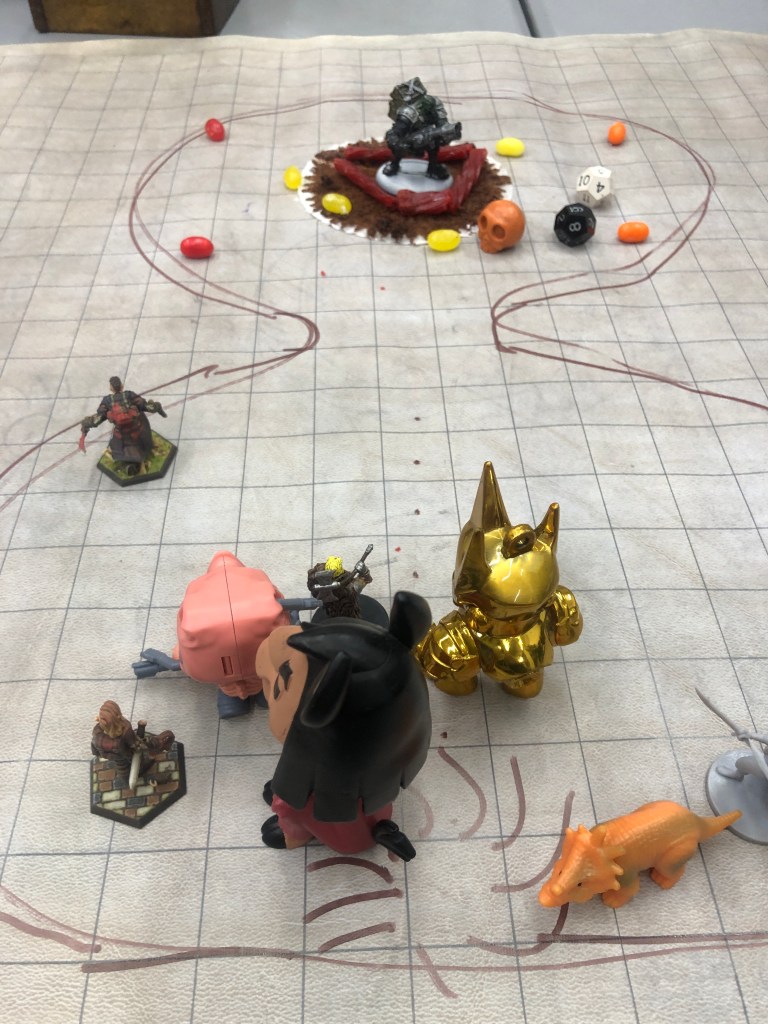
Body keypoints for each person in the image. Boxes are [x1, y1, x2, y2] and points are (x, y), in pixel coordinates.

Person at [81, 376, 166, 475]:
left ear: (111, 388)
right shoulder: (130, 395)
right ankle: (137, 460)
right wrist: (157, 407)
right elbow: (146, 406)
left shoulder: (107, 401)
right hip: (138, 430)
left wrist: (86, 425)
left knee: (118, 447)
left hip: (121, 434)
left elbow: (98, 418)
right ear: (122, 386)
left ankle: (130, 463)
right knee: (142, 428)